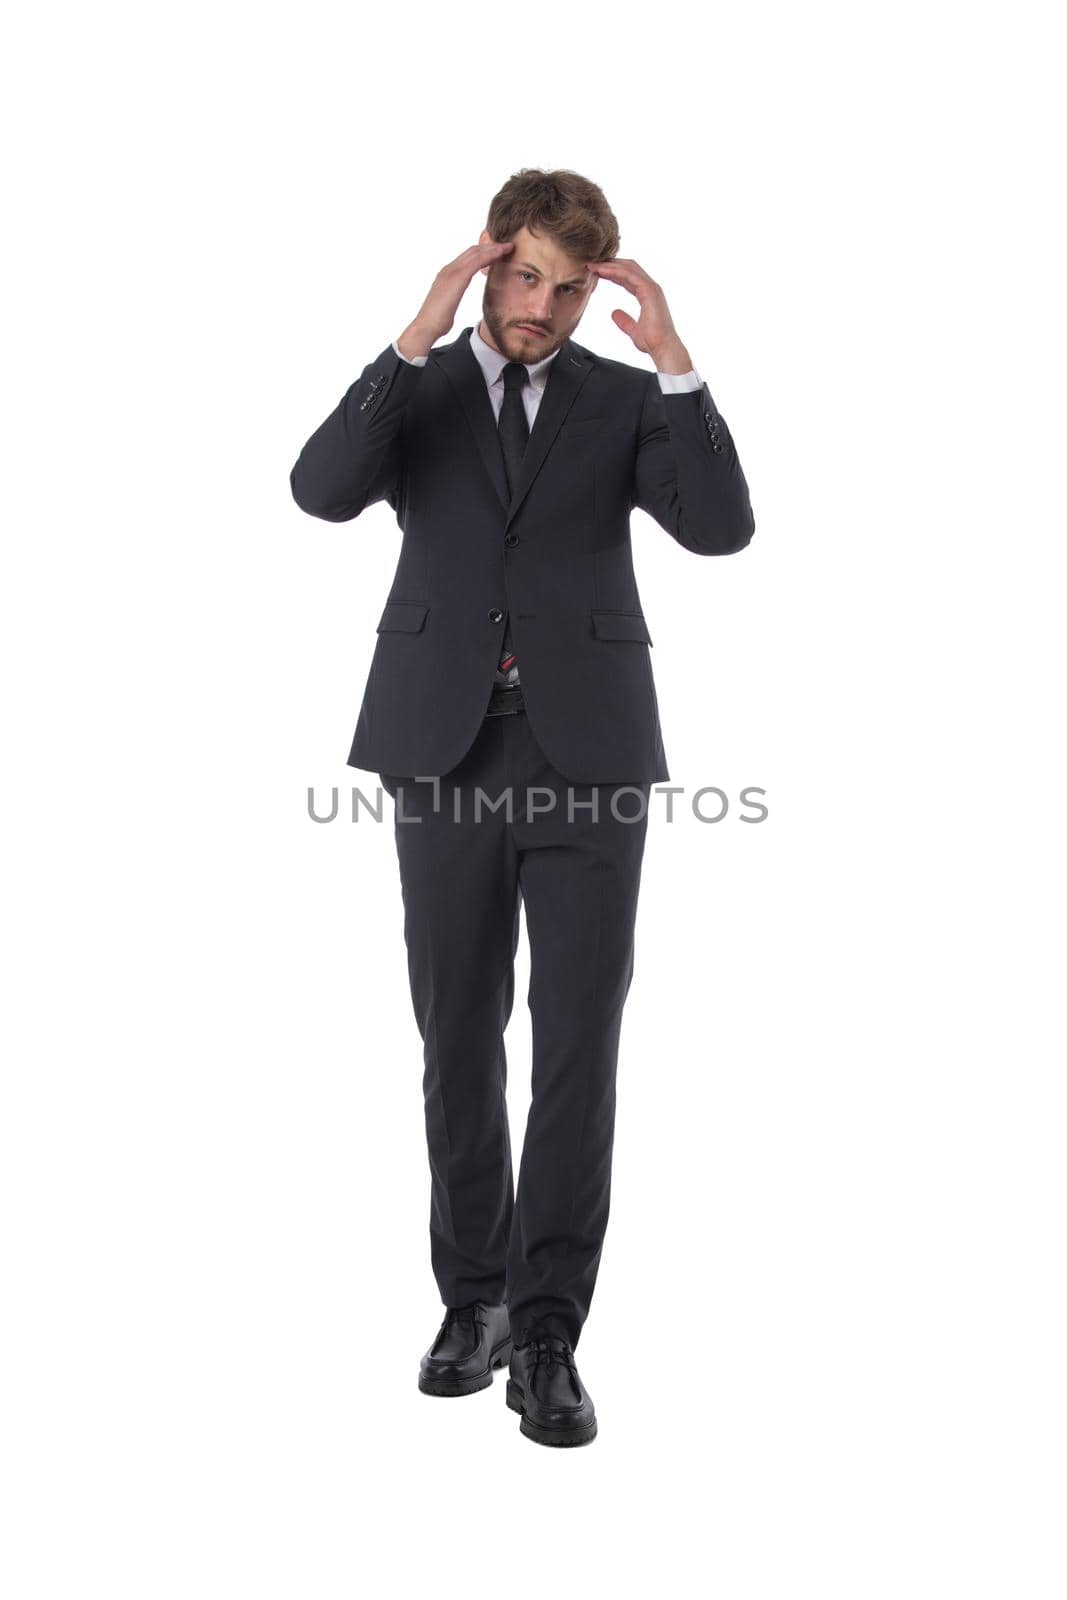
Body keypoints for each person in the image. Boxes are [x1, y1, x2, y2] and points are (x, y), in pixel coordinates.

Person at [290, 167, 755, 1447]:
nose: (538, 306)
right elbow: (320, 491)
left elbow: (719, 530)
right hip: (440, 752)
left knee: (573, 1052)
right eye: (521, 276)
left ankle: (549, 1330)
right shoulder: (423, 385)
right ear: (488, 264)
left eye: (563, 284)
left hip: (589, 758)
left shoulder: (619, 398)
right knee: (454, 1038)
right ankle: (472, 1301)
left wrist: (673, 362)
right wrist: (413, 329)